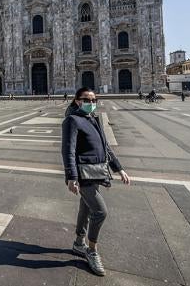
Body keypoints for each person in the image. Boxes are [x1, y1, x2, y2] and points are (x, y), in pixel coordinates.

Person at [61, 87, 131, 276]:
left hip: (97, 171)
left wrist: (119, 168)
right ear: (77, 101)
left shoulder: (94, 119)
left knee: (86, 208)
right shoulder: (72, 120)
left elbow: (106, 147)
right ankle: (92, 250)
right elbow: (68, 151)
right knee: (100, 211)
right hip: (83, 174)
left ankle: (78, 243)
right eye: (86, 100)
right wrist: (71, 177)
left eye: (93, 100)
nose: (91, 103)